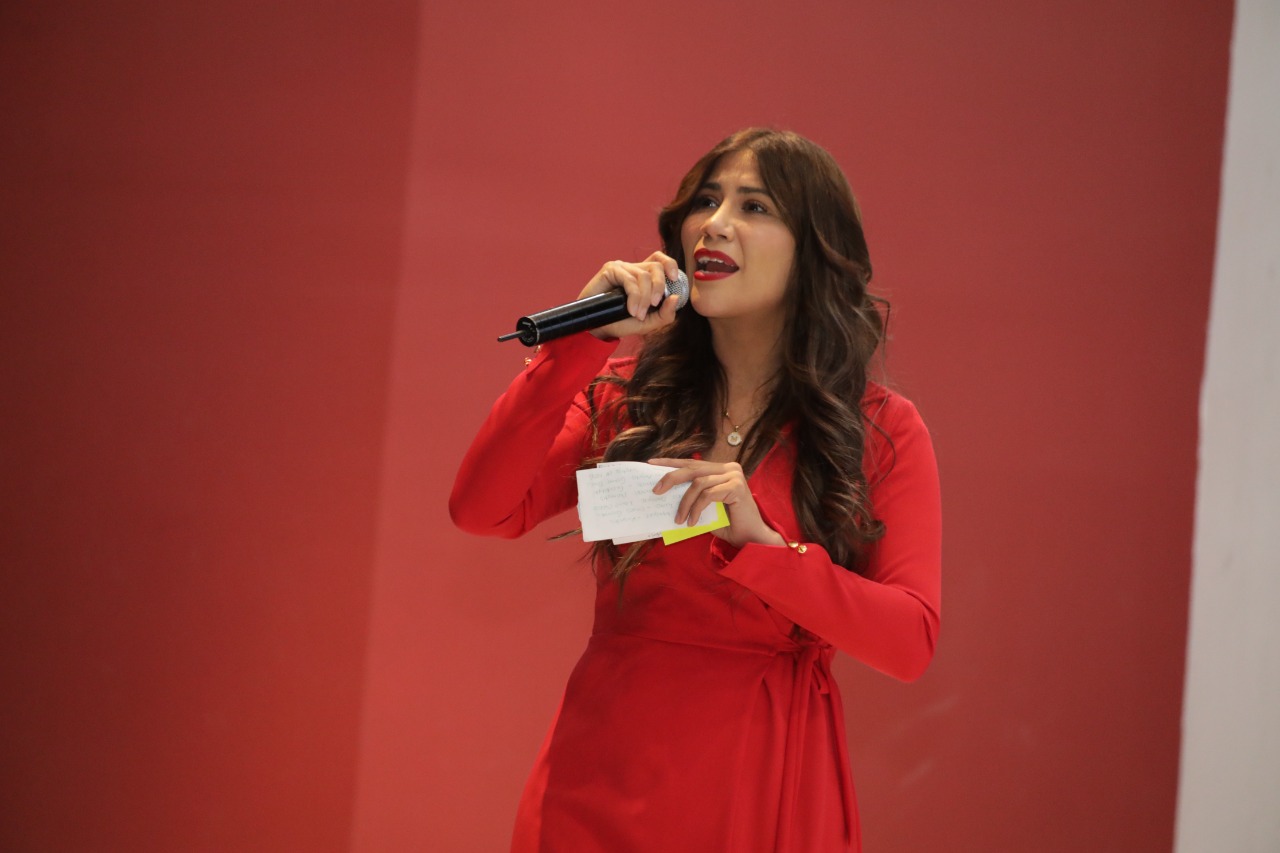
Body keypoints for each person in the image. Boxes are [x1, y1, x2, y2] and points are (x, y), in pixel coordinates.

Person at [450, 128, 942, 853]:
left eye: (755, 206)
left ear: (813, 250)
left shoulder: (876, 427)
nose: (715, 223)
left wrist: (766, 549)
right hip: (599, 779)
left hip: (761, 780)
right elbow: (482, 508)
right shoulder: (628, 394)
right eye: (706, 202)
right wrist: (577, 349)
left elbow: (909, 640)